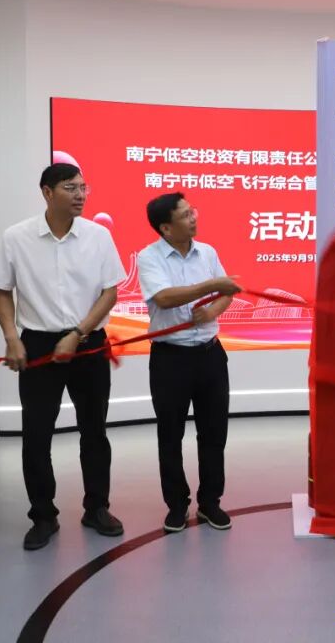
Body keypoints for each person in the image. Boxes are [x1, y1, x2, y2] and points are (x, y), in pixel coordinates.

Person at [0, 163, 127, 550]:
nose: (81, 195)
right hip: (37, 345)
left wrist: (78, 334)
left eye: (84, 187)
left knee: (94, 432)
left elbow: (110, 292)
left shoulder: (98, 236)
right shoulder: (16, 237)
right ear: (47, 193)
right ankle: (43, 516)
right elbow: (2, 291)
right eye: (71, 188)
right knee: (36, 435)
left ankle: (97, 508)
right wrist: (11, 338)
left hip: (89, 343)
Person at [137, 193, 241, 533]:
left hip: (211, 355)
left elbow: (227, 291)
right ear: (166, 228)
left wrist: (212, 311)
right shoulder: (149, 257)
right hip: (170, 359)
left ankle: (210, 502)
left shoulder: (207, 252)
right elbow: (164, 298)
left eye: (192, 211)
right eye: (185, 214)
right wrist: (210, 285)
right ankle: (177, 505)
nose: (193, 217)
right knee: (170, 435)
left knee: (214, 433)